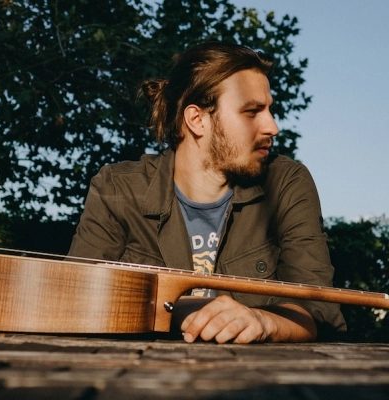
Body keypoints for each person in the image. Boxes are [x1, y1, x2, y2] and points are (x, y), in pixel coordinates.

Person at [68, 42, 346, 343]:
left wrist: (264, 321)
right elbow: (73, 300)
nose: (272, 126)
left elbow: (319, 311)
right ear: (197, 119)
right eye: (252, 112)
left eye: (269, 109)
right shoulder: (118, 188)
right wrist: (178, 310)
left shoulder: (287, 182)